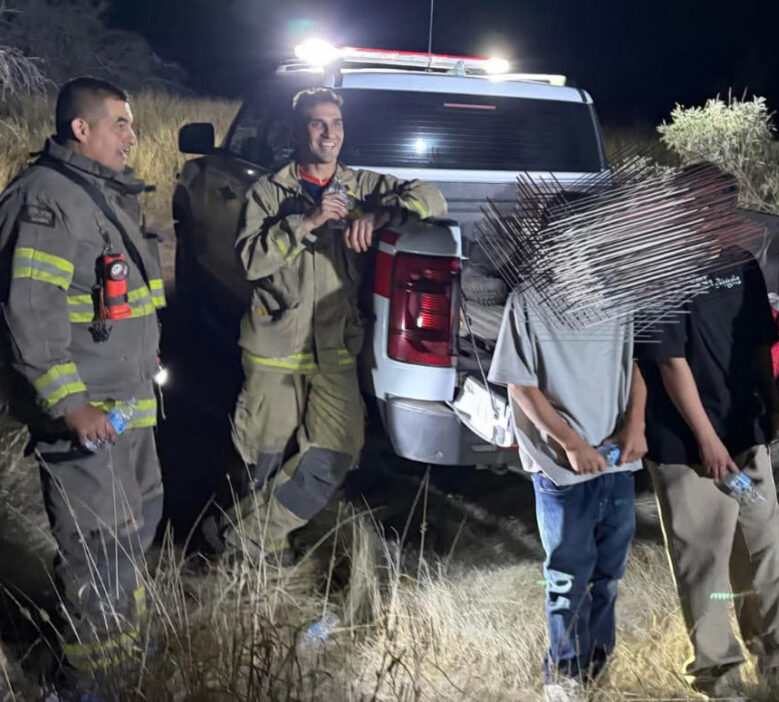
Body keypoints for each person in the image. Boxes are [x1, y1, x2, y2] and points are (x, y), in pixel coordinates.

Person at [218, 88, 446, 561]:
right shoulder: (269, 191)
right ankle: (259, 558)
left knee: (336, 452)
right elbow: (249, 261)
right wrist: (308, 222)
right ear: (297, 131)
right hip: (275, 348)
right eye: (318, 124)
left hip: (334, 347)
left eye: (337, 124)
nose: (330, 133)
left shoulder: (360, 185)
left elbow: (432, 197)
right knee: (264, 457)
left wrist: (384, 212)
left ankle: (248, 535)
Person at [0, 77, 166, 687]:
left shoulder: (102, 195)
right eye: (120, 124)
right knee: (99, 547)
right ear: (81, 129)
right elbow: (29, 315)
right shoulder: (47, 199)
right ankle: (90, 683)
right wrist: (70, 404)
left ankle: (126, 655)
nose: (132, 137)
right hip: (87, 414)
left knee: (137, 524)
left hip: (128, 405)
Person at [638, 237, 779, 700]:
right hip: (687, 447)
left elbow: (759, 339)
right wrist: (707, 439)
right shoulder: (660, 265)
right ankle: (720, 679)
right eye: (714, 208)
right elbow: (669, 362)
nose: (729, 219)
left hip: (744, 436)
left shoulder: (740, 261)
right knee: (704, 563)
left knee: (766, 552)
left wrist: (773, 400)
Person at [487, 285, 647, 702]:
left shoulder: (619, 294)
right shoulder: (528, 301)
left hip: (616, 461)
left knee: (607, 578)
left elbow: (633, 365)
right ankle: (564, 674)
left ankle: (597, 669)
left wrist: (636, 425)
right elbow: (519, 383)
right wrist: (571, 444)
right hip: (562, 470)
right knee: (567, 578)